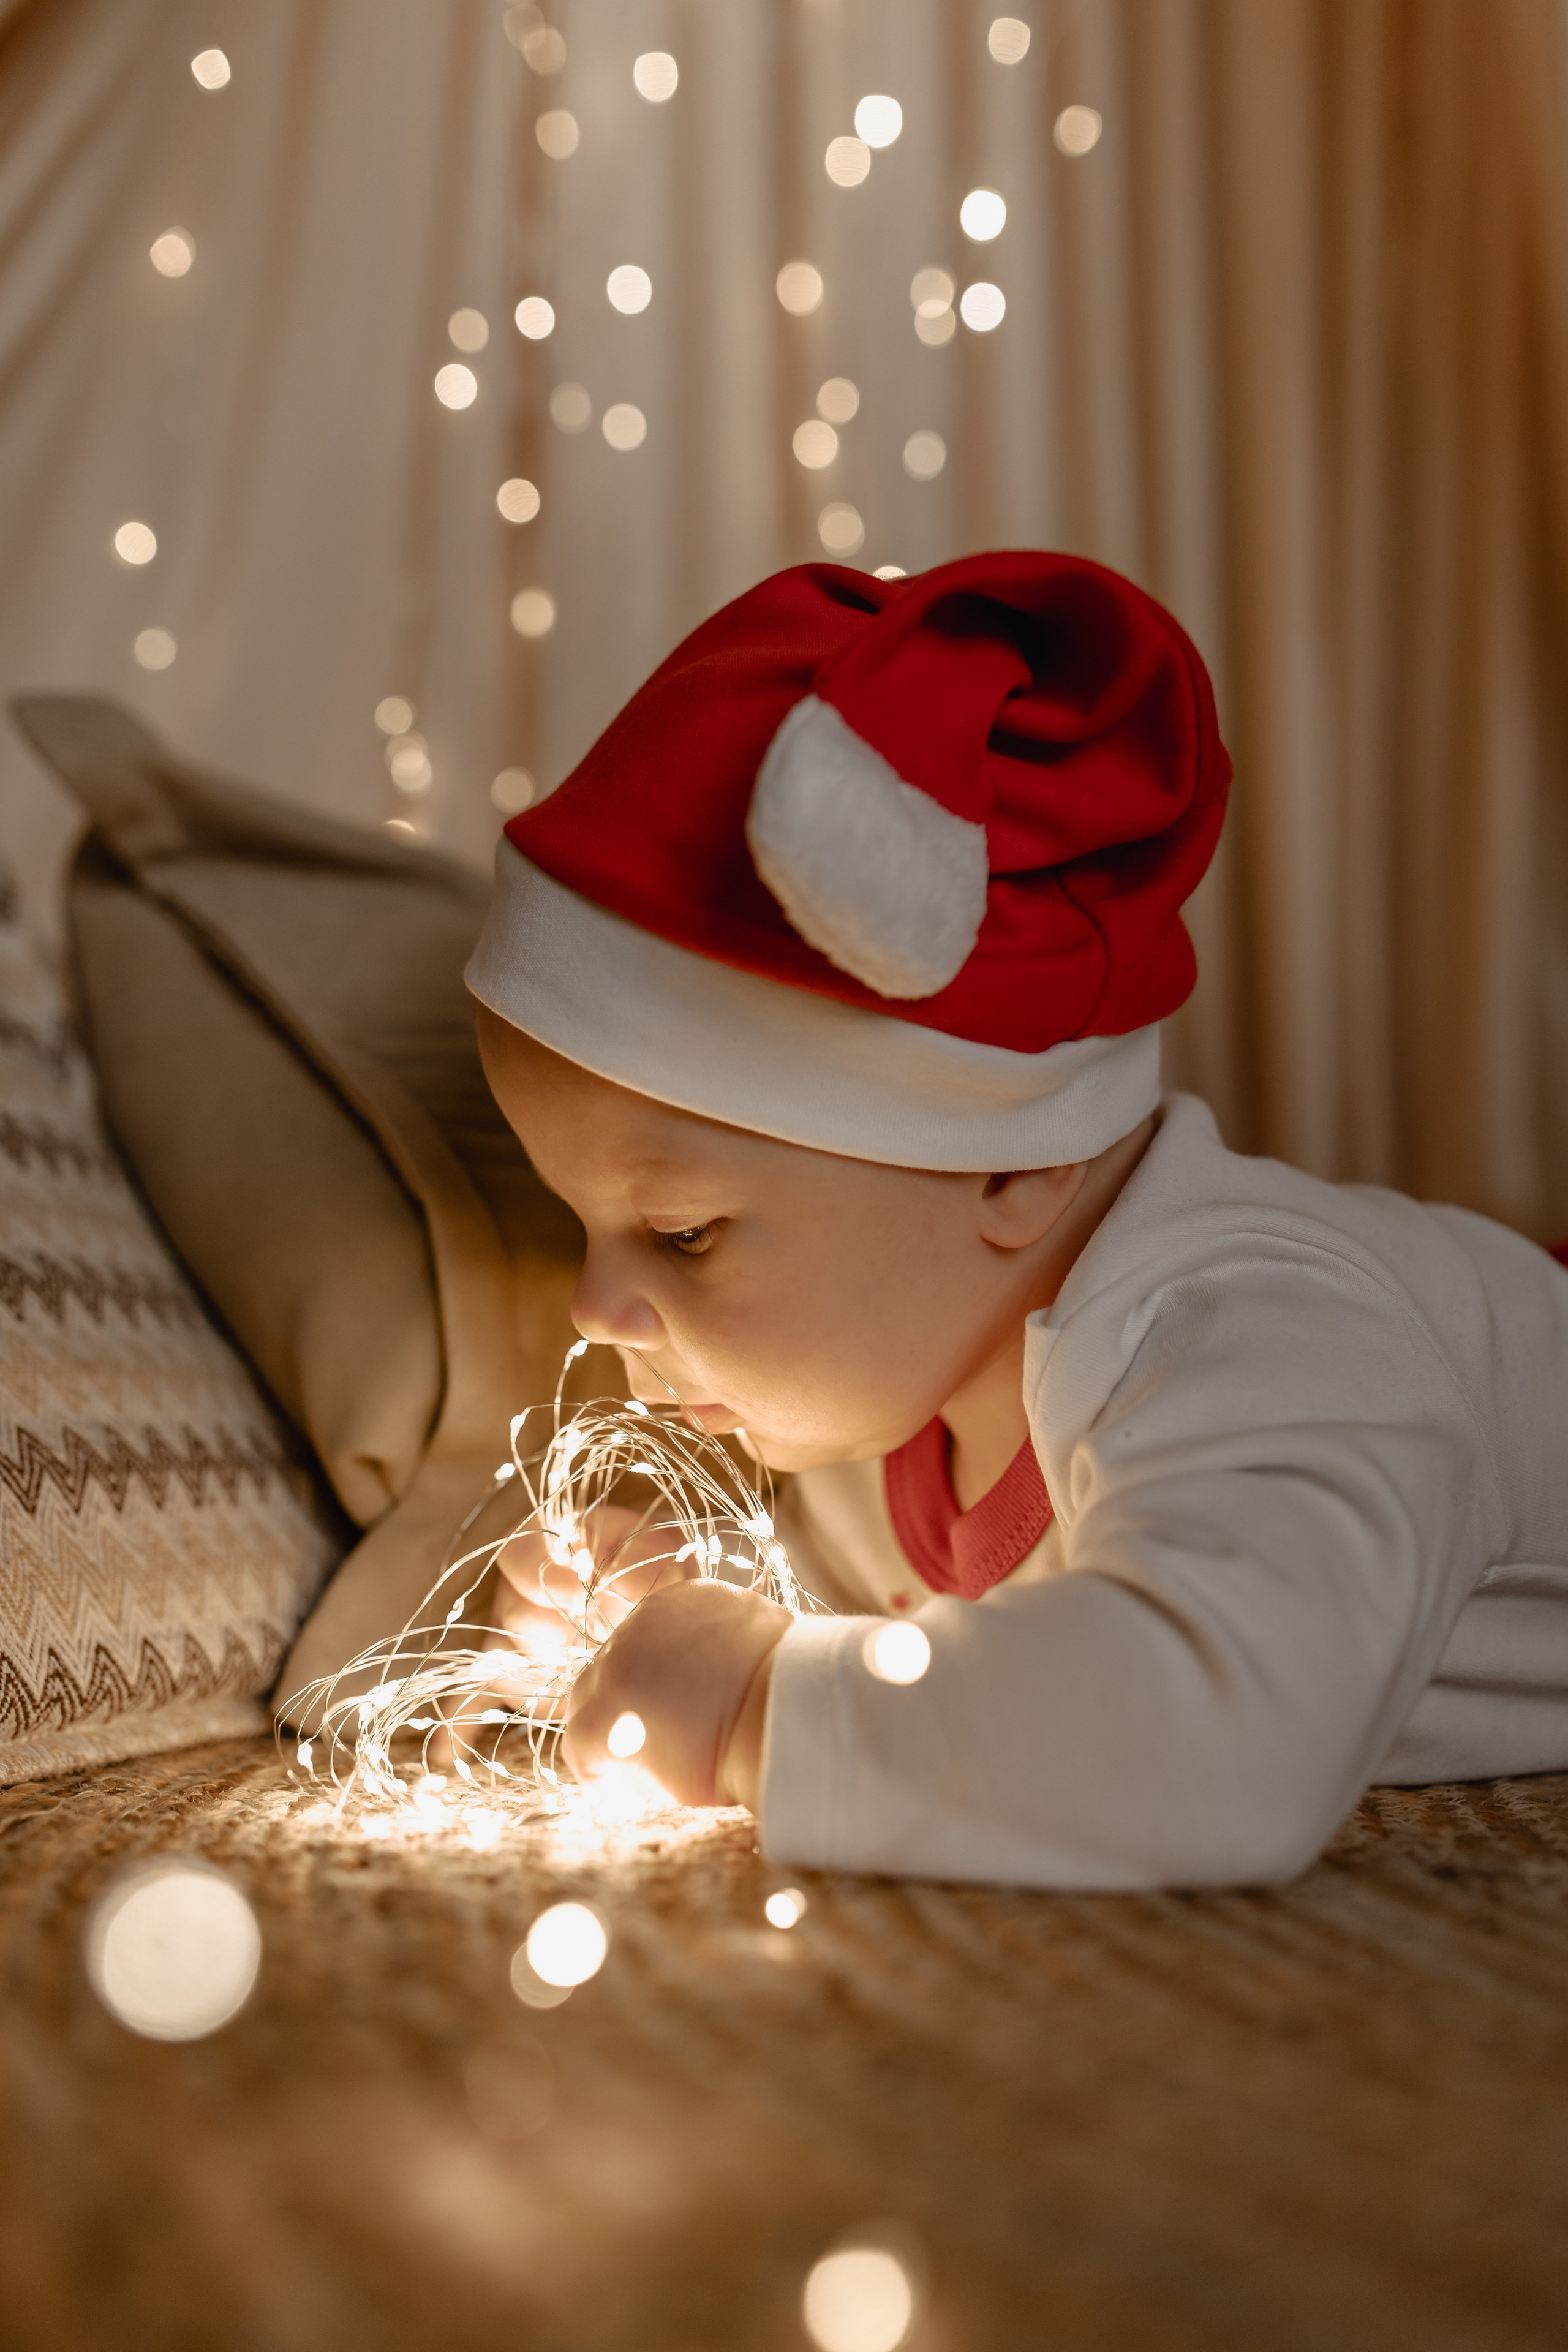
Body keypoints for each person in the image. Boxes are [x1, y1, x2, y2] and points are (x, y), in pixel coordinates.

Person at [464, 551, 1568, 1891]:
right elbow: (951, 1637)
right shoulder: (901, 1404)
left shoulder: (1257, 1335)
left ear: (1008, 1170)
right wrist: (681, 1595)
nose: (592, 1308)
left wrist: (759, 1707)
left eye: (685, 1230)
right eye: (587, 1227)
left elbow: (1219, 1737)